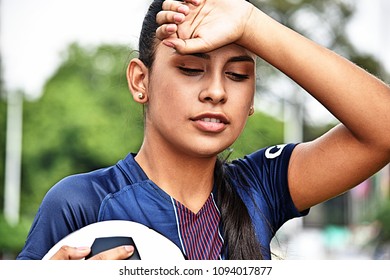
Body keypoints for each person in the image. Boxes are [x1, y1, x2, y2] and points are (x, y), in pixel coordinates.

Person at [17, 0, 390, 260]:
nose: (216, 91)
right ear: (139, 81)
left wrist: (250, 22)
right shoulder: (80, 202)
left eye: (237, 75)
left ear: (252, 97)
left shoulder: (262, 186)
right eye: (191, 69)